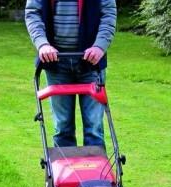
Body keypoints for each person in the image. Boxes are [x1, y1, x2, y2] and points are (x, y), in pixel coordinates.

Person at [25, 0, 117, 148]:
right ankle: (65, 170)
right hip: (56, 62)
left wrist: (100, 46)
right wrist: (42, 44)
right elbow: (33, 13)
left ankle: (97, 171)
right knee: (62, 127)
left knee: (94, 128)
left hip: (91, 62)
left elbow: (108, 14)